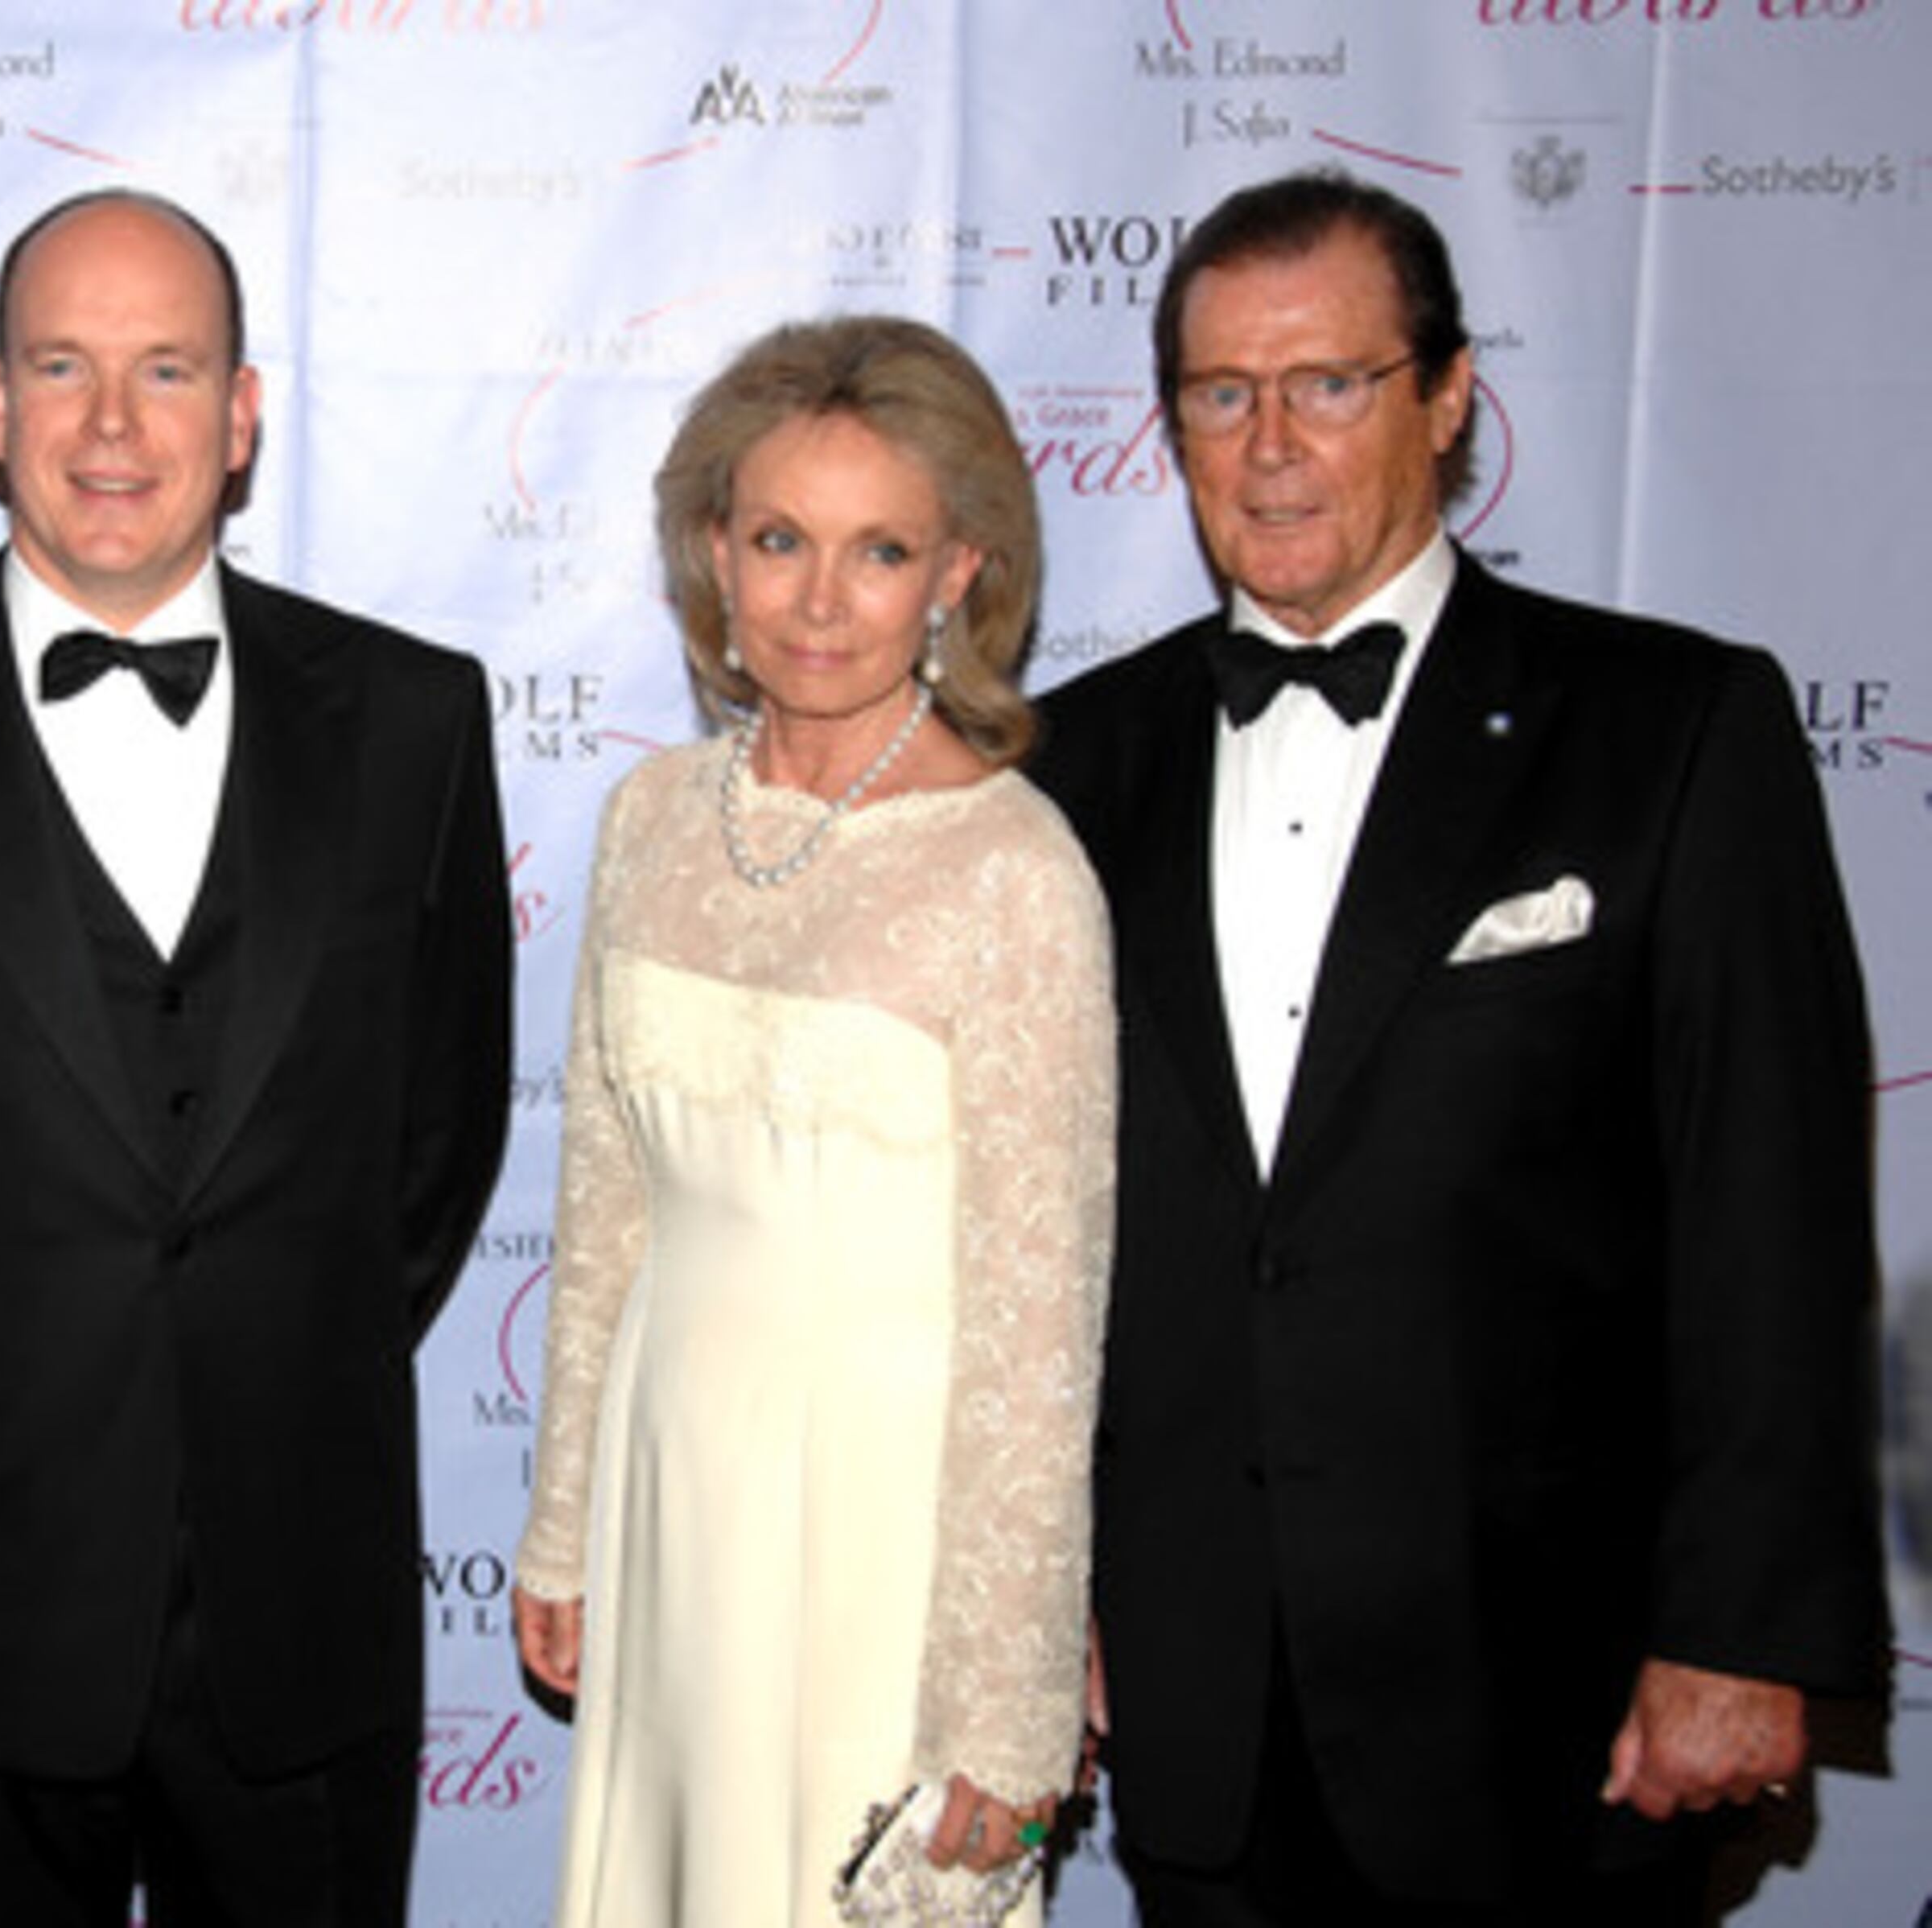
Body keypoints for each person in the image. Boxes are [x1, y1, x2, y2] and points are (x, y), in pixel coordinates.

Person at [1035, 169, 1885, 1923]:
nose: (1270, 443)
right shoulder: (1069, 766)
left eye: (1328, 383)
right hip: (1201, 1697)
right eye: (1221, 394)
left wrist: (1737, 1630)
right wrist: (1039, 1595)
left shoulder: (1669, 728)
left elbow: (1772, 1216)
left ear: (1445, 397)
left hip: (1549, 1702)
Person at [0, 188, 511, 1927]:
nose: (113, 424)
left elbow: (437, 1145)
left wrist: (268, 1362)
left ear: (242, 415)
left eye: (167, 369)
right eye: (62, 366)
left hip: (306, 1602)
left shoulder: (418, 722)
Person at [511, 315, 1115, 1927]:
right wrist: (566, 1518)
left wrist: (1009, 1696)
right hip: (672, 1482)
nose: (821, 599)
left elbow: (1038, 1332)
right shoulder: (649, 819)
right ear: (715, 550)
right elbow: (605, 1216)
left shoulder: (1017, 873)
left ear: (961, 572)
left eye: (881, 549)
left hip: (887, 1523)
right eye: (780, 540)